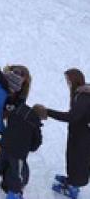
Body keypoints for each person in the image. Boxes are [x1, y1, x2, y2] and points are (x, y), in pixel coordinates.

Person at [40, 68, 90, 198]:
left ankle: (73, 189)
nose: (67, 83)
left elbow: (71, 117)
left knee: (79, 160)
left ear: (75, 80)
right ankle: (71, 179)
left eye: (68, 80)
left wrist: (48, 112)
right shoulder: (80, 92)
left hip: (84, 136)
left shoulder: (83, 97)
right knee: (72, 157)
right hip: (77, 132)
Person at [0, 101, 44, 199]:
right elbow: (36, 143)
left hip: (5, 144)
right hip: (18, 153)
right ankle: (13, 193)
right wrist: (29, 146)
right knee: (17, 172)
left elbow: (9, 121)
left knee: (0, 162)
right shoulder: (35, 125)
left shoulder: (17, 112)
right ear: (39, 117)